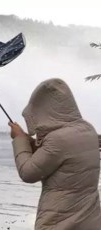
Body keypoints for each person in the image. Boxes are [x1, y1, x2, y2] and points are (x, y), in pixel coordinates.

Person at [9, 78, 101, 229]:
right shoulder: (87, 129)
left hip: (60, 220)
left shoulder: (58, 139)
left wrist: (19, 139)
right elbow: (60, 155)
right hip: (89, 219)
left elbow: (28, 173)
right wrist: (29, 142)